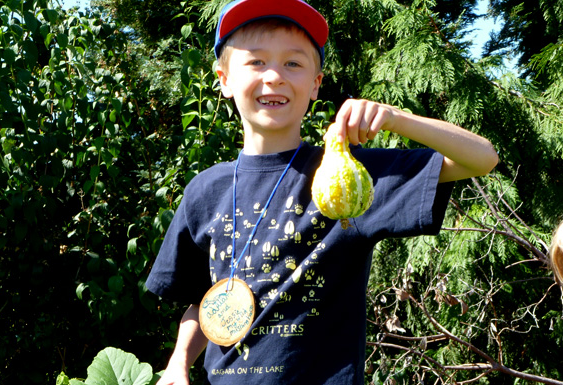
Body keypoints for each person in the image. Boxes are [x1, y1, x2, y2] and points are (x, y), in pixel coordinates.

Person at [146, 0, 499, 384]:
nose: (275, 76)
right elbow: (205, 301)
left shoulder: (350, 176)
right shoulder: (204, 191)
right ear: (224, 79)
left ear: (315, 85)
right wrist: (178, 364)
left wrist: (396, 118)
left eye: (293, 64)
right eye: (257, 62)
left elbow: (482, 158)